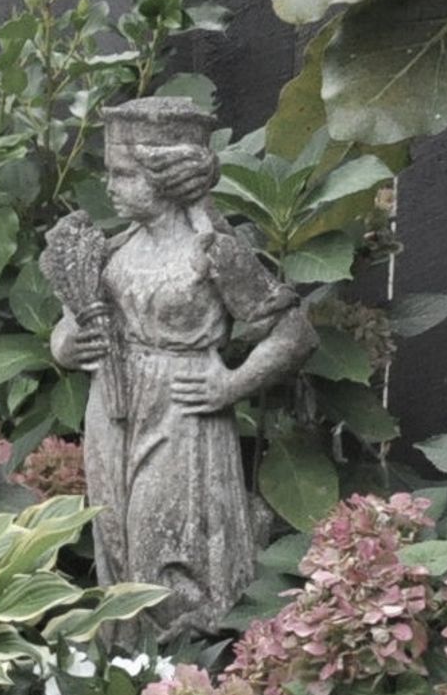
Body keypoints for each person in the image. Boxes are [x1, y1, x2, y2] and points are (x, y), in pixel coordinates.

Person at [48, 97, 316, 634]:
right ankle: (125, 669)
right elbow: (66, 325)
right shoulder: (114, 249)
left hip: (182, 414)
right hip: (112, 411)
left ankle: (191, 668)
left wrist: (232, 384)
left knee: (164, 547)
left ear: (167, 177)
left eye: (123, 174)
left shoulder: (212, 252)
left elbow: (294, 334)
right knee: (116, 545)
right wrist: (68, 347)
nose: (110, 186)